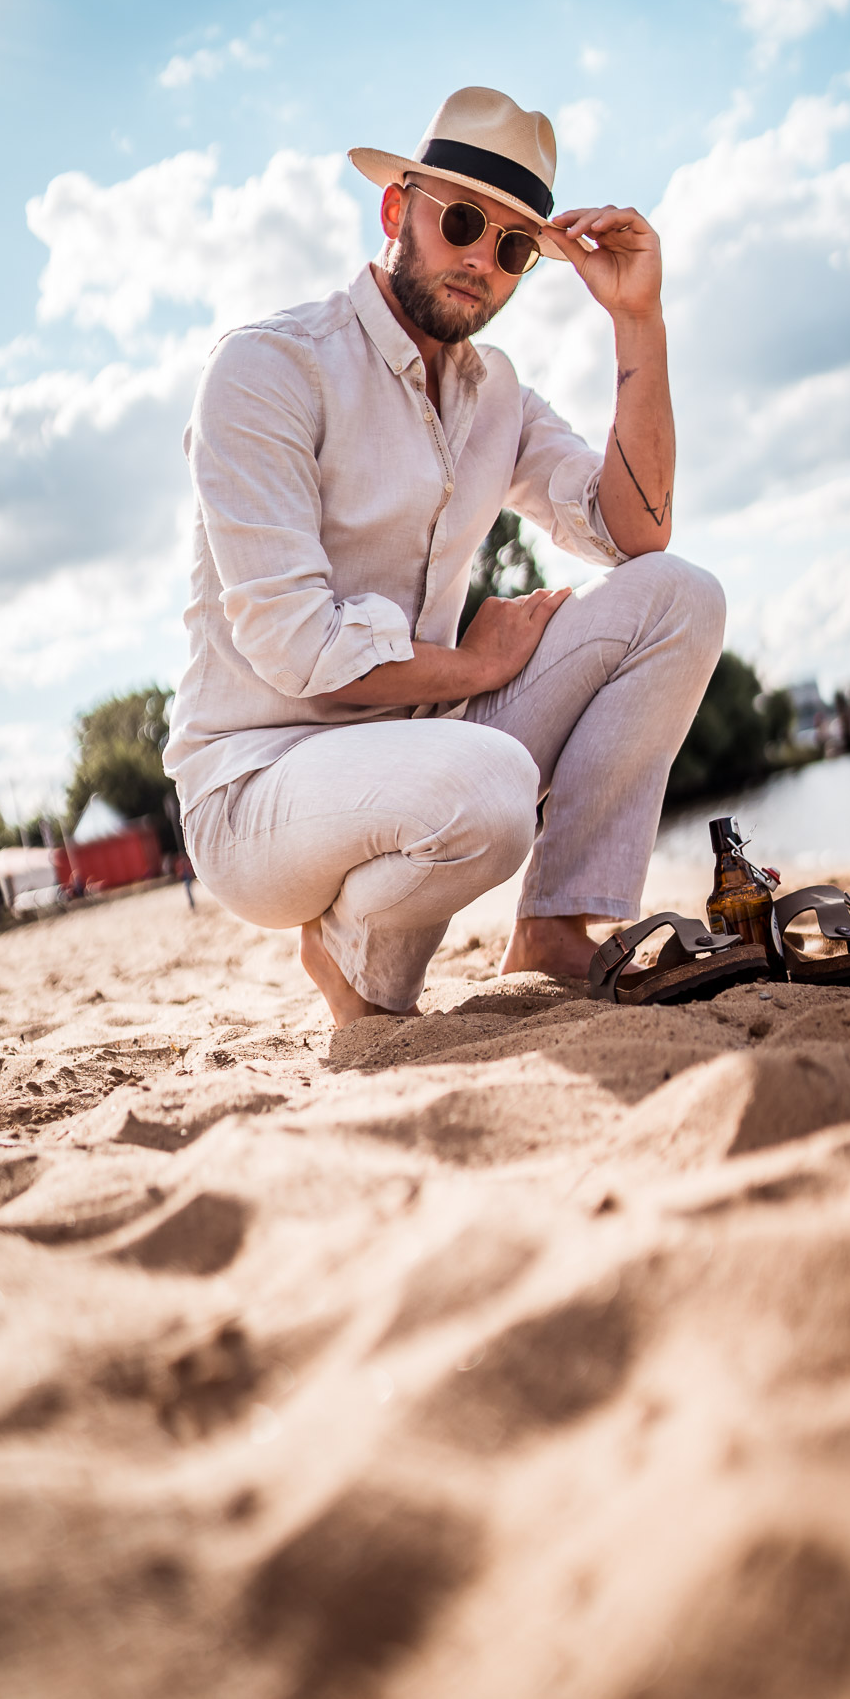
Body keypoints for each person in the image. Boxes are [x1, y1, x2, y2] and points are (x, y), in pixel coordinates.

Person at [164, 86, 724, 1027]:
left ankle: (554, 927)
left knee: (679, 597)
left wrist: (639, 321)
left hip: (423, 746)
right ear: (397, 210)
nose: (481, 261)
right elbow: (297, 649)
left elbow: (636, 531)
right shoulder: (268, 369)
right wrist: (477, 663)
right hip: (257, 781)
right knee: (493, 787)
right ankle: (351, 967)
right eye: (462, 221)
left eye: (512, 247)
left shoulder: (494, 394)